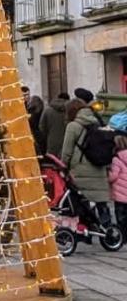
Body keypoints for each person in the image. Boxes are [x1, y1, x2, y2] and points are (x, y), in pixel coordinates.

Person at [62, 88, 113, 225]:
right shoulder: (97, 122)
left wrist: (63, 167)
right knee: (100, 200)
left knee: (80, 201)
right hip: (99, 167)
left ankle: (87, 228)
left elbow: (67, 151)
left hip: (79, 170)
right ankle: (107, 228)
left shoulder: (73, 126)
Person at [41, 92, 70, 159]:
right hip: (66, 143)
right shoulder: (70, 110)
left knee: (52, 165)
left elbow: (41, 127)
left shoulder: (47, 110)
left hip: (51, 143)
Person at [110, 134, 127, 236]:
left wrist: (108, 176)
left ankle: (123, 236)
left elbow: (113, 176)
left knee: (120, 217)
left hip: (120, 195)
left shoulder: (116, 159)